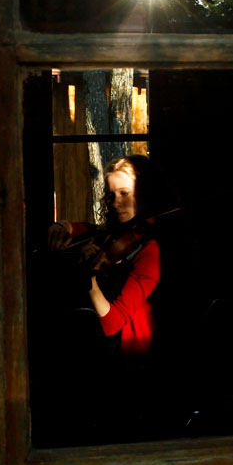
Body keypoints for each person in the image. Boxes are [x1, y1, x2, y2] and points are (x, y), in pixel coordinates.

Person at [47, 155, 176, 364]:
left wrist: (90, 282)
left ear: (145, 194)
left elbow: (112, 323)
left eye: (124, 194)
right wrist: (65, 226)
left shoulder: (150, 250)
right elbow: (95, 230)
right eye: (111, 194)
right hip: (102, 347)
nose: (116, 203)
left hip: (128, 353)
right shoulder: (121, 232)